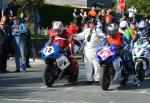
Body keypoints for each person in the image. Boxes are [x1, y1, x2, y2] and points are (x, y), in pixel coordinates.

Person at [74, 19, 105, 84]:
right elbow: (81, 35)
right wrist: (75, 36)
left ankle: (97, 79)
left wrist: (99, 36)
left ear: (94, 24)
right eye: (89, 23)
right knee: (88, 65)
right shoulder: (86, 30)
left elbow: (103, 35)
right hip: (87, 50)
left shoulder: (98, 30)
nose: (90, 24)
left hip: (96, 50)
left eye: (92, 23)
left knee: (96, 66)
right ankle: (89, 79)